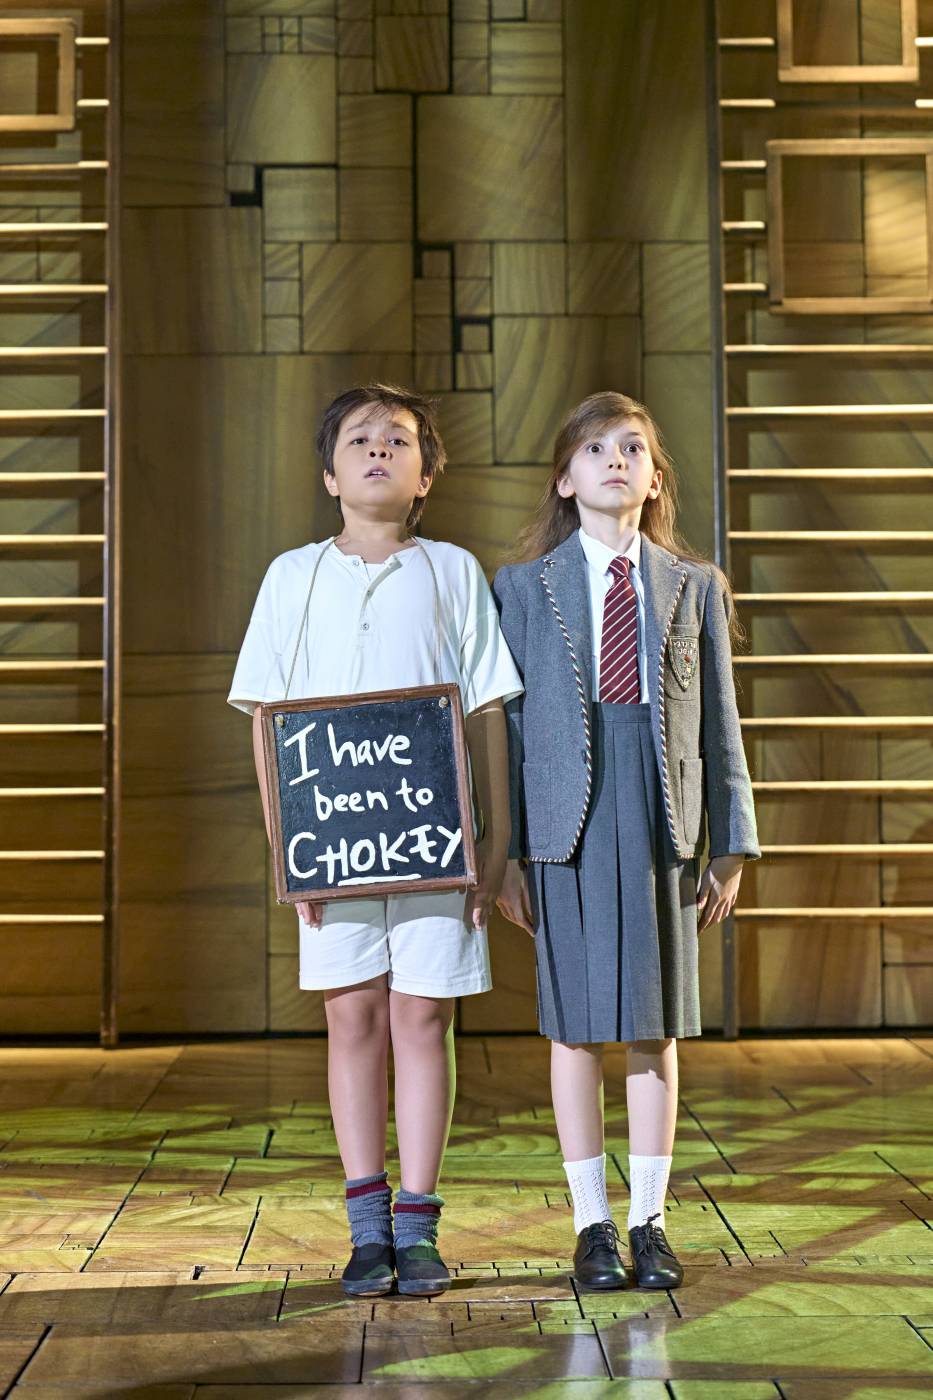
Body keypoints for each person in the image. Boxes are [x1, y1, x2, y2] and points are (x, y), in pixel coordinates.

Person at [228, 384, 521, 1298]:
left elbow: (486, 710)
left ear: (425, 475)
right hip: (332, 846)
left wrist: (495, 840)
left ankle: (418, 1226)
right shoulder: (292, 575)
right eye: (359, 440)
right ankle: (366, 1229)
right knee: (351, 1017)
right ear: (329, 474)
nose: (378, 451)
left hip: (438, 843)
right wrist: (288, 845)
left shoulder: (453, 570)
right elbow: (268, 721)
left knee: (423, 1019)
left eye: (398, 440)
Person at [493, 390, 759, 1292]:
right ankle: (591, 1225)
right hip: (562, 826)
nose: (616, 460)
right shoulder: (521, 589)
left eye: (633, 447)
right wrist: (504, 855)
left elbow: (719, 720)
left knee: (653, 1024)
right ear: (565, 480)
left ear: (654, 478)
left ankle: (648, 1220)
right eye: (595, 448)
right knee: (574, 1029)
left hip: (660, 818)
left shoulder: (693, 586)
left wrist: (730, 843)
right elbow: (509, 731)